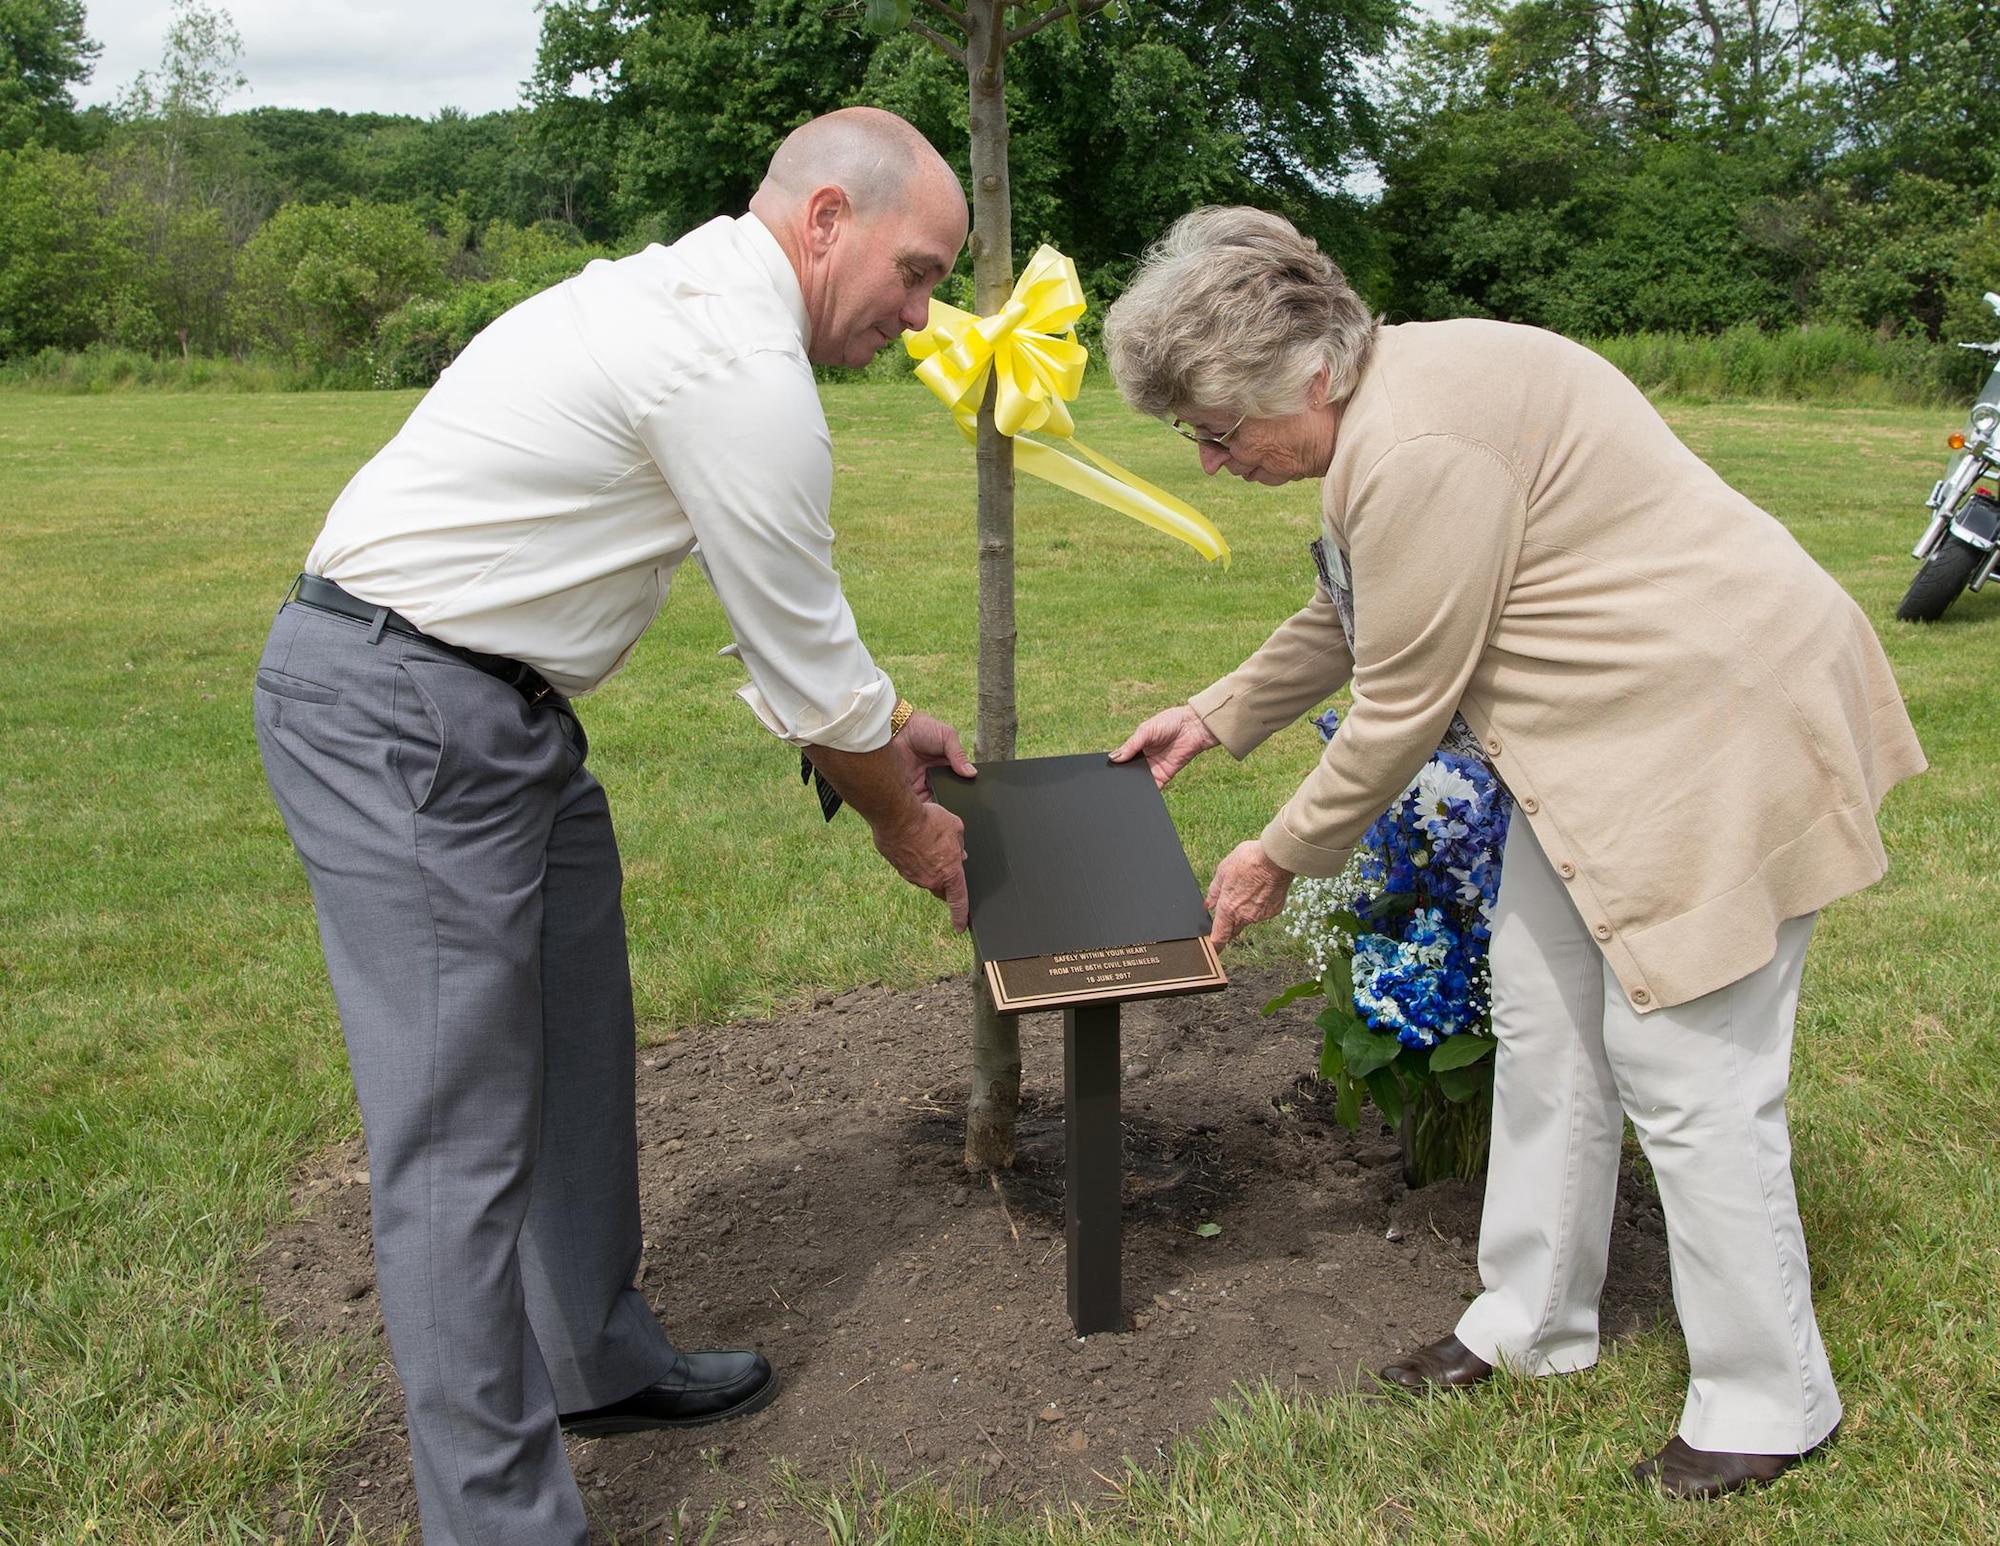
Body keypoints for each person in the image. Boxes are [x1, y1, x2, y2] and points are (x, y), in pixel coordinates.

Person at [1104, 206, 1924, 1499]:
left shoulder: (1419, 439)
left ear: (1308, 373)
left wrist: (1274, 856)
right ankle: (1531, 1320)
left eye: (1217, 432)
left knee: (1687, 1066)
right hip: (1605, 748)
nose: (1213, 463)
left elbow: (1399, 702)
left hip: (1715, 723)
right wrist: (1216, 716)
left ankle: (1773, 1398)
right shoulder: (1390, 400)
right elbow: (1355, 600)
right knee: (1545, 1020)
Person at [254, 108, 975, 1546]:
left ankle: (593, 1353)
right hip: (406, 708)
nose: (923, 312)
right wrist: (910, 821)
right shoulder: (731, 357)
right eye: (916, 271)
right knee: (457, 1140)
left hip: (501, 710)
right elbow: (800, 646)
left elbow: (804, 644)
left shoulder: (694, 308)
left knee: (579, 1040)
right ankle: (502, 1520)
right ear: (825, 220)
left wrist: (883, 728)